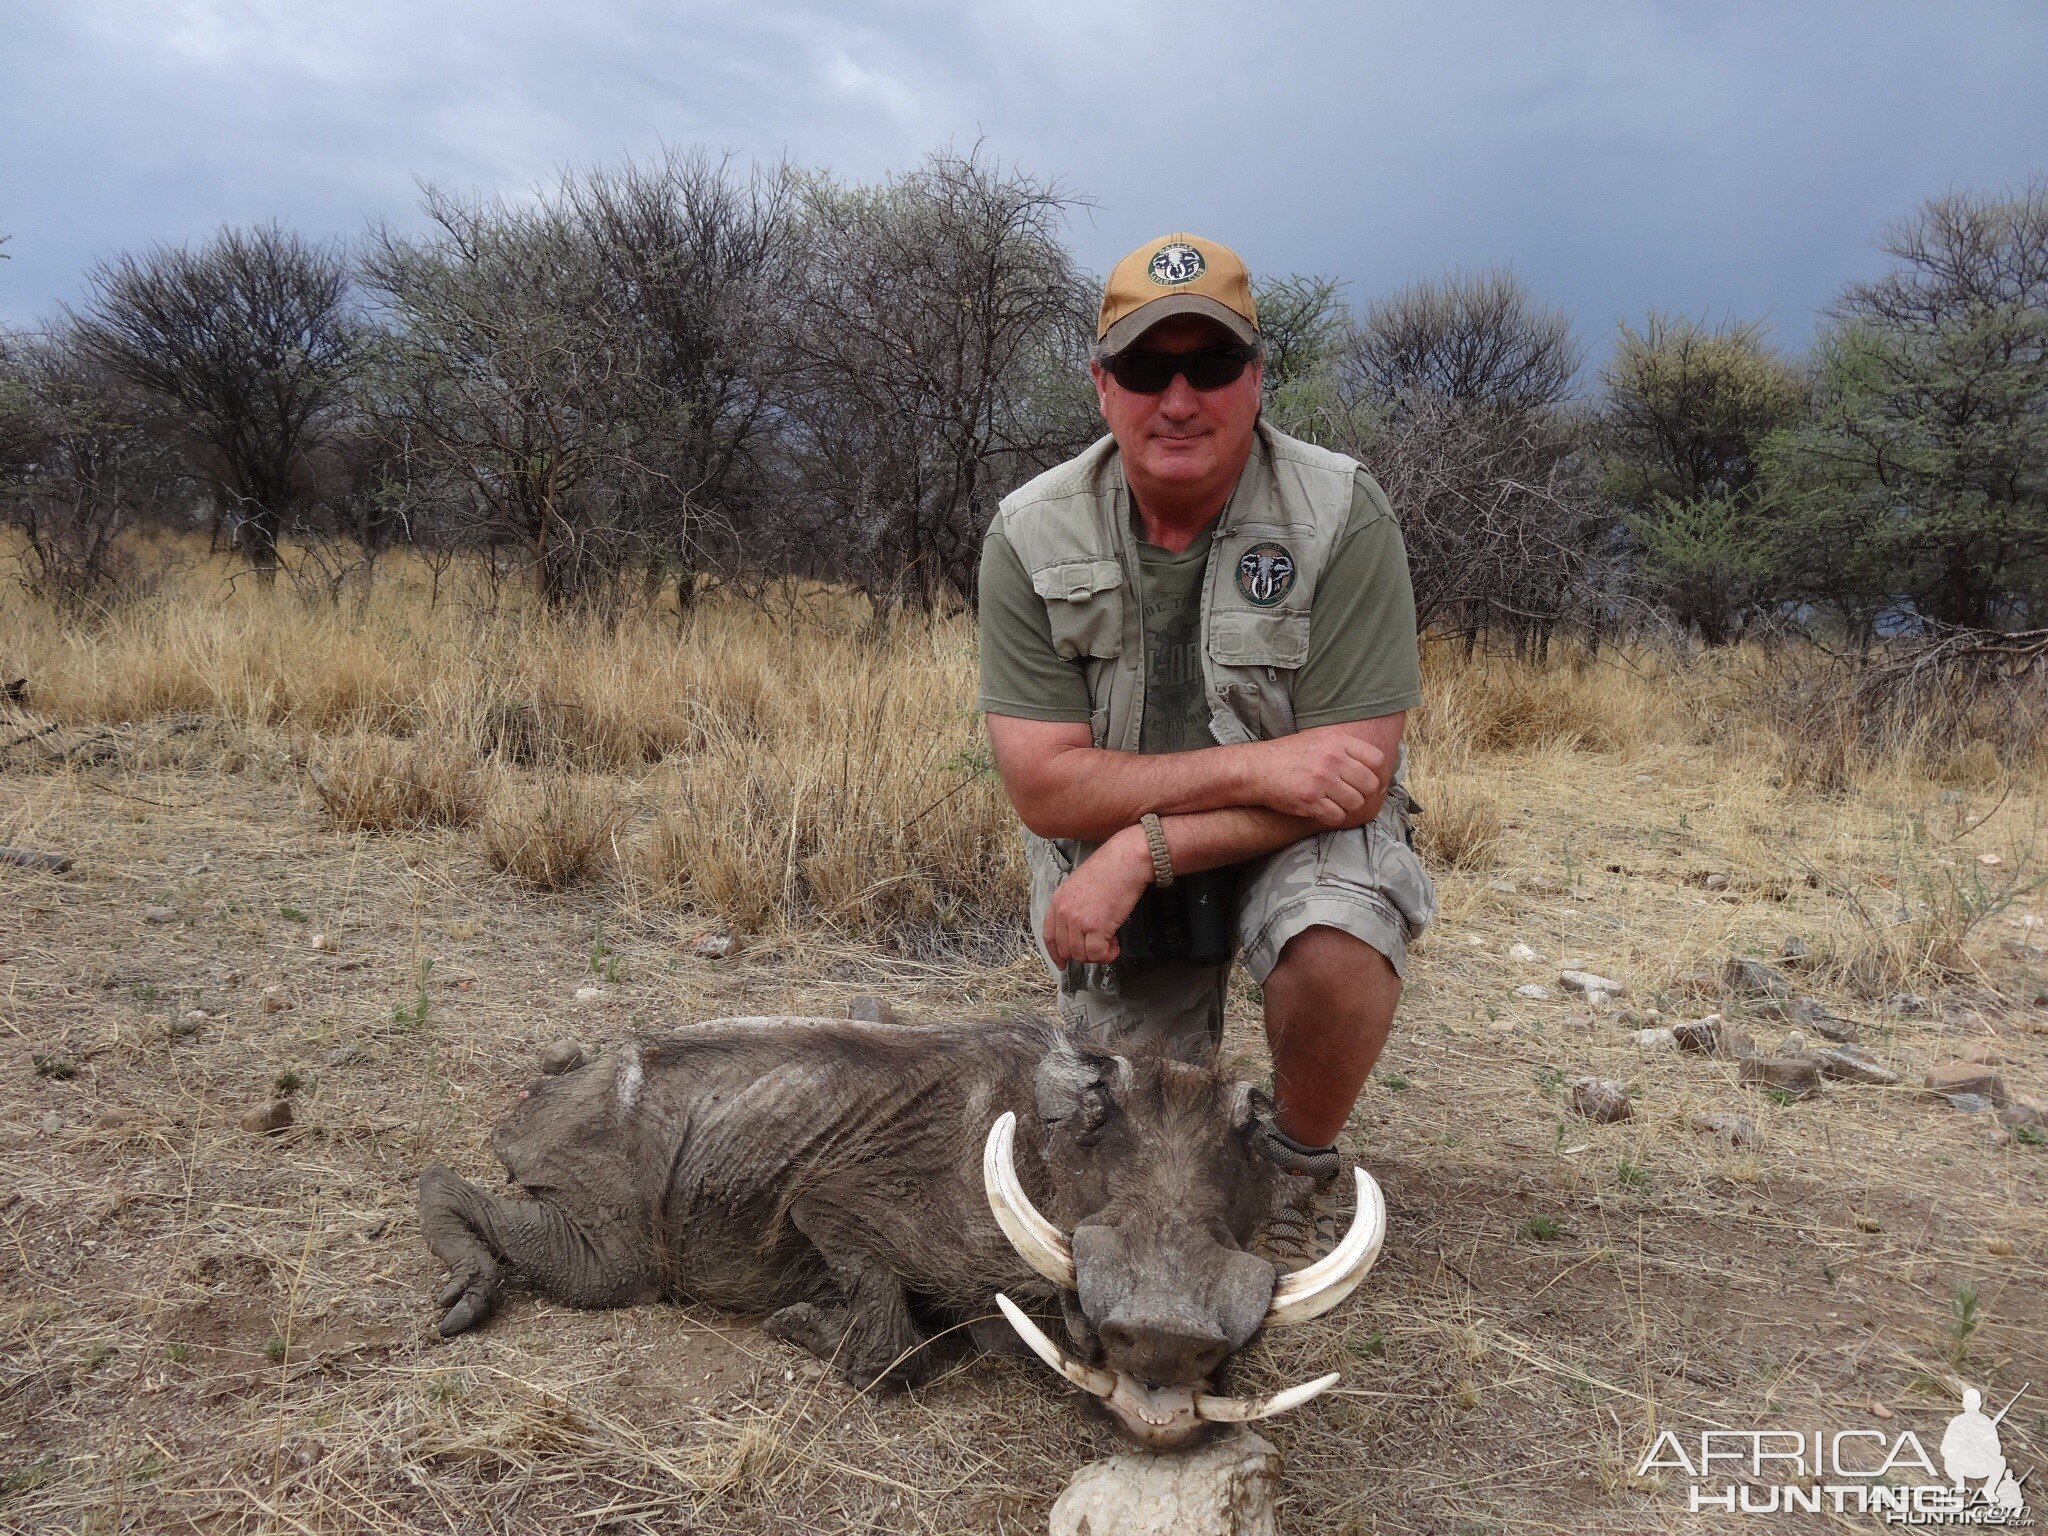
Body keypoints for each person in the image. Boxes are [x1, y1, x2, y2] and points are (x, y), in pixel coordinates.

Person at [975, 232, 1436, 1261]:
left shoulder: (1340, 512)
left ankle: (1291, 1169)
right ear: (1101, 386)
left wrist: (1143, 850)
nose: (1177, 399)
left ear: (1256, 379)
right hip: (1140, 837)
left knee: (1338, 943)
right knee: (1124, 1141)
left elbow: (1351, 783)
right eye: (1144, 368)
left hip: (1278, 838)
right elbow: (1045, 790)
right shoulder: (1027, 533)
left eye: (1210, 365)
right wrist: (1255, 767)